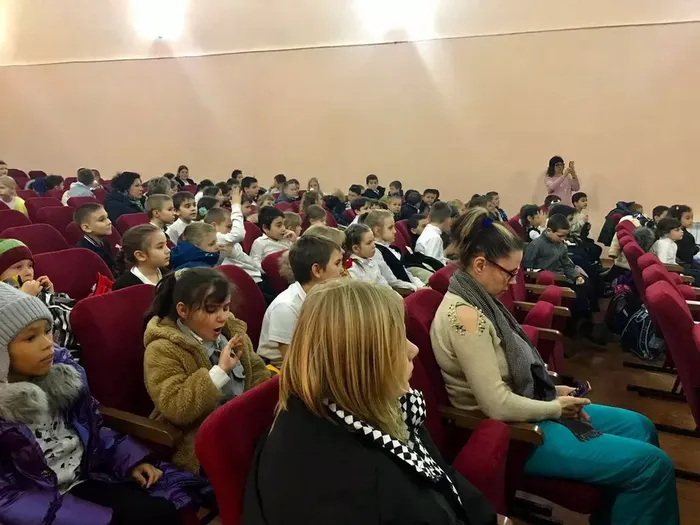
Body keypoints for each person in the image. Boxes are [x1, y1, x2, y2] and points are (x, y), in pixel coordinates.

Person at [430, 207, 678, 525]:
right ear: (480, 265)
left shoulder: (481, 299)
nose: (513, 282)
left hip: (528, 407)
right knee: (653, 466)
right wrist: (555, 408)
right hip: (513, 435)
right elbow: (496, 404)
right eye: (509, 273)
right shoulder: (465, 317)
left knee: (640, 426)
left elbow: (509, 373)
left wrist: (551, 390)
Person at [244, 279, 496, 525]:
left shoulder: (363, 404)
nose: (413, 350)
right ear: (362, 361)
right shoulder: (363, 485)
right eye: (397, 340)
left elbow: (439, 473)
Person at [0, 282, 210, 525]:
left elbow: (94, 429)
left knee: (168, 504)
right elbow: (7, 499)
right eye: (30, 338)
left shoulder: (59, 377)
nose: (48, 343)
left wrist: (129, 461)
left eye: (48, 331)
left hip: (88, 476)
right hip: (40, 504)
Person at [144, 268, 272, 473]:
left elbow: (257, 369)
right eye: (212, 310)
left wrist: (258, 408)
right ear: (183, 311)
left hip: (243, 422)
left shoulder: (231, 330)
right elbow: (176, 408)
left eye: (226, 307)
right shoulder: (162, 348)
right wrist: (219, 372)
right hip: (200, 440)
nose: (223, 317)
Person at [257, 236, 344, 367]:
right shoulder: (286, 307)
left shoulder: (325, 295)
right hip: (282, 369)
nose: (342, 269)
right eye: (337, 263)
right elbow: (293, 363)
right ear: (317, 270)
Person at [0, 239, 78, 358]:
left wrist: (52, 296)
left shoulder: (37, 291)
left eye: (30, 266)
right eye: (18, 267)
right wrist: (23, 298)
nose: (28, 272)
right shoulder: (5, 301)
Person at [365, 210, 424, 294]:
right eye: (390, 228)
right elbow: (391, 281)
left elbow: (404, 272)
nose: (395, 231)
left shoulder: (389, 247)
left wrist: (420, 285)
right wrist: (416, 288)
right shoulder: (376, 252)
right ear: (377, 231)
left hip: (409, 286)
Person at [113, 224, 171, 290]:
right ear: (140, 255)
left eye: (166, 244)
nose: (168, 250)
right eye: (160, 247)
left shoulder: (170, 276)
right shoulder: (124, 286)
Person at [344, 224, 391, 289]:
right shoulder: (352, 269)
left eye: (373, 241)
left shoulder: (371, 260)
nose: (374, 245)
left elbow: (383, 284)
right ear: (356, 248)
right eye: (369, 243)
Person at [74, 203, 115, 272]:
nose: (109, 222)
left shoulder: (105, 243)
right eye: (101, 220)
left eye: (107, 217)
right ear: (86, 228)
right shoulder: (84, 253)